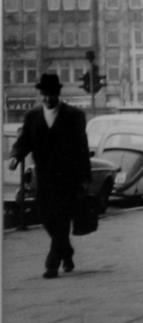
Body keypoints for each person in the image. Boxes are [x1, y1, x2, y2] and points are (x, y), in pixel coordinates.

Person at [9, 73, 91, 279]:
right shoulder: (33, 117)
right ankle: (67, 252)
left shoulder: (74, 116)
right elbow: (24, 140)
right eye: (44, 94)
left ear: (58, 94)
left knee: (62, 219)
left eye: (51, 94)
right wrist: (16, 156)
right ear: (40, 95)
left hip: (67, 178)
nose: (47, 98)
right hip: (44, 177)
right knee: (46, 217)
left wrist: (84, 178)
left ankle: (52, 264)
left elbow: (81, 148)